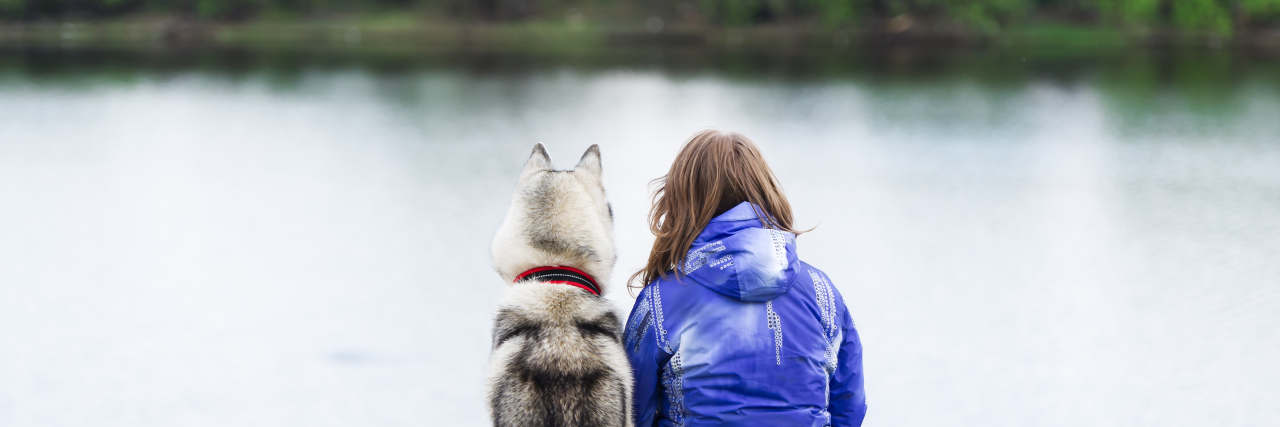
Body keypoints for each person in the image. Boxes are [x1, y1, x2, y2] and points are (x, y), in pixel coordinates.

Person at [624, 130, 867, 427]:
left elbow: (630, 413)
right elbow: (849, 408)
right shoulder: (823, 293)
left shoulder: (659, 301)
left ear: (683, 203)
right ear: (766, 192)